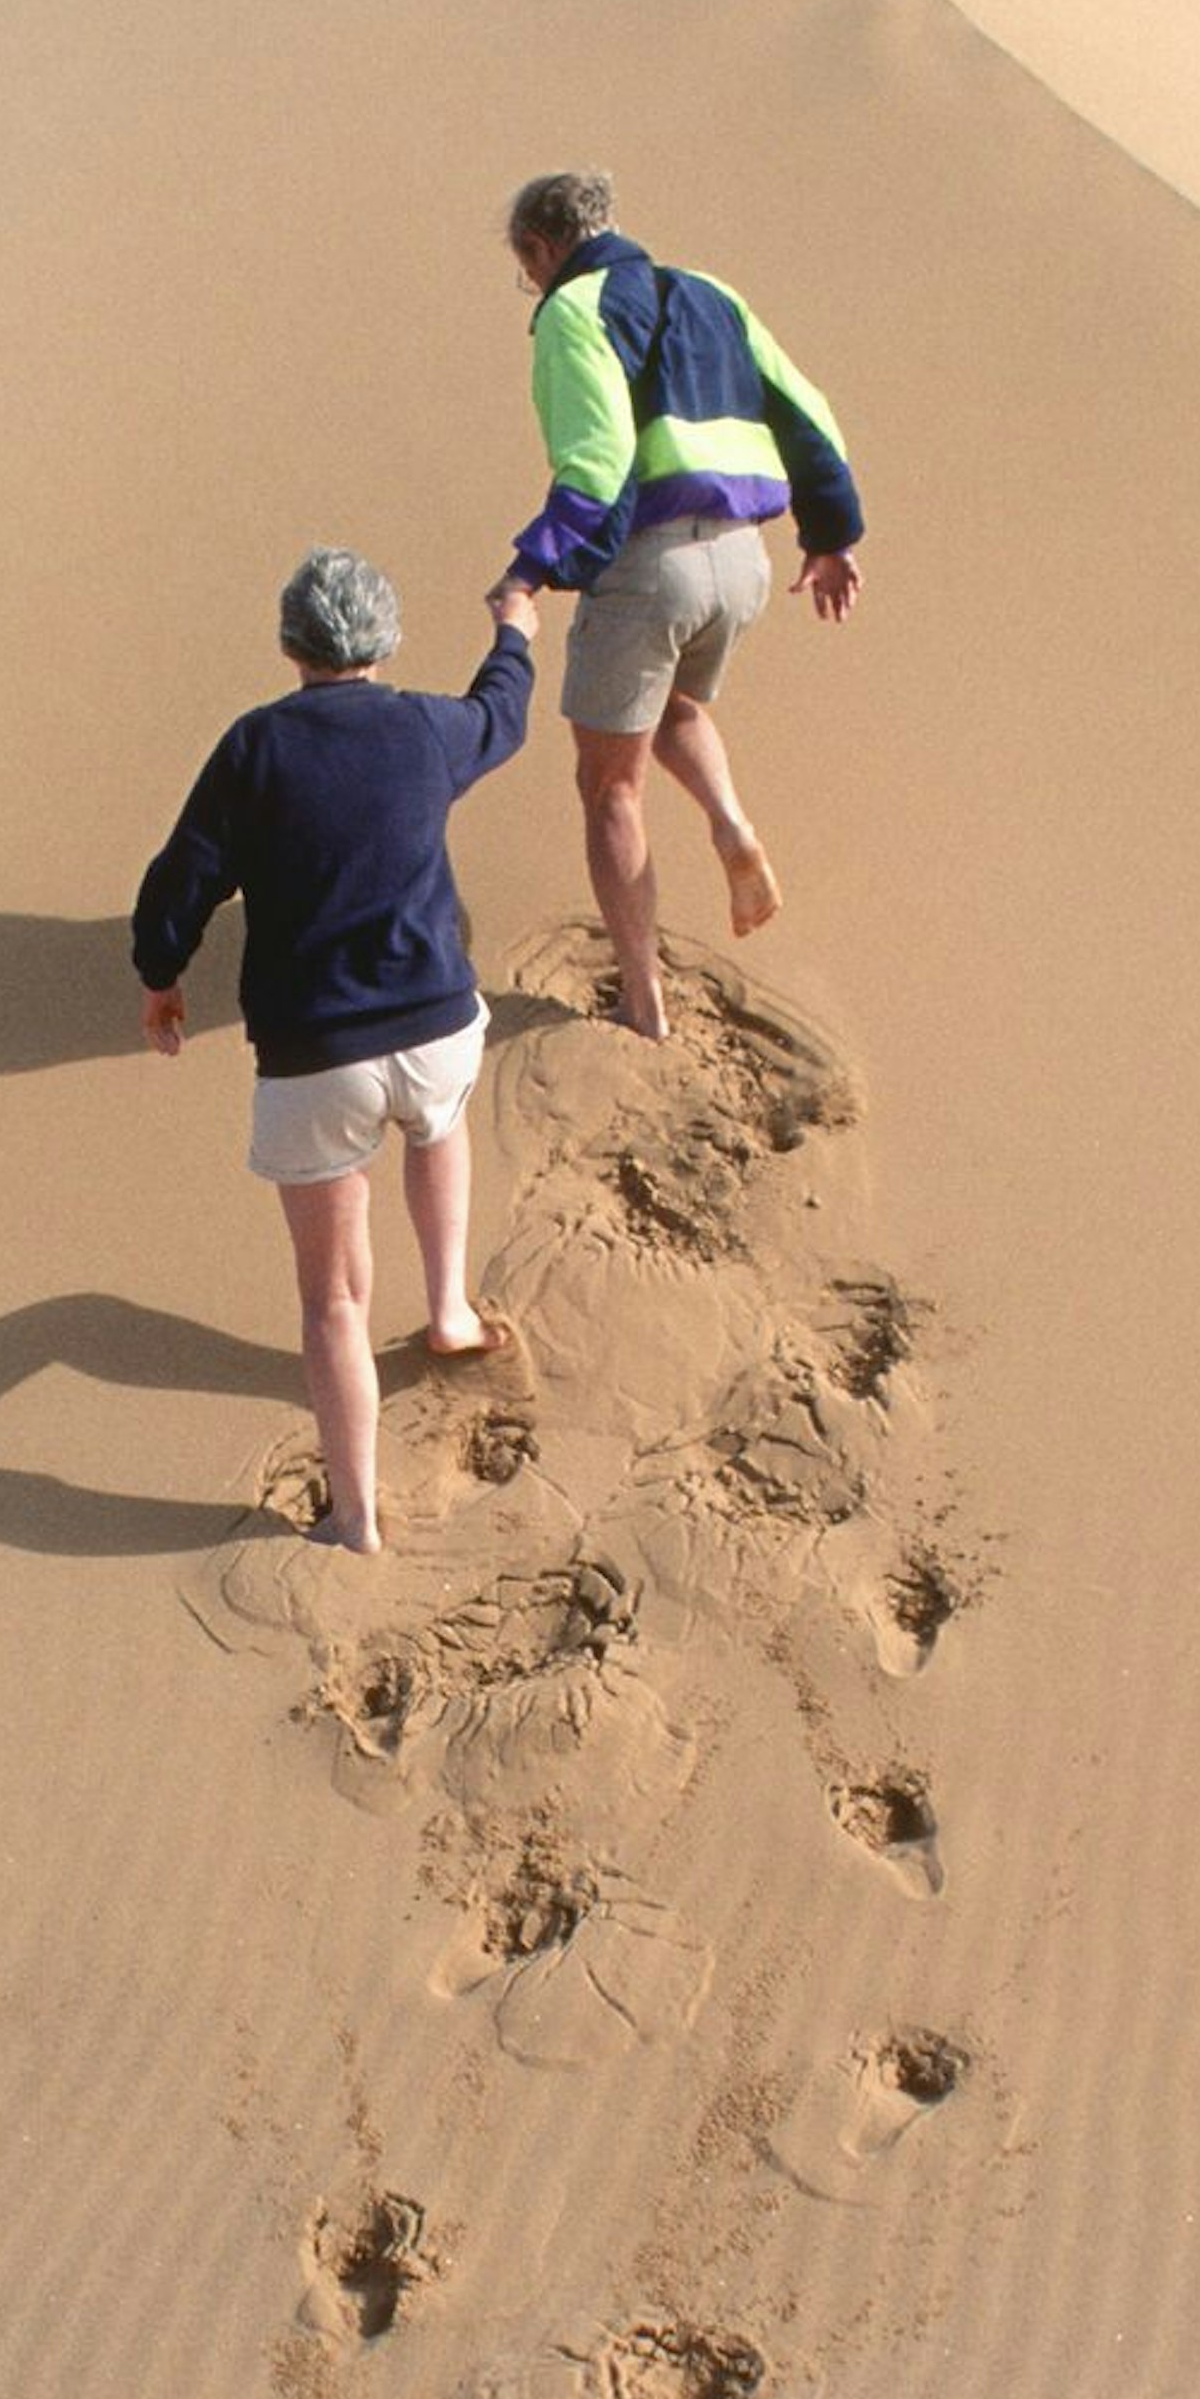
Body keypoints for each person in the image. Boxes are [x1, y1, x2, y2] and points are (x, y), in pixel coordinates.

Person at [133, 548, 537, 1554]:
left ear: (290, 644)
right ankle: (448, 1311)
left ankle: (355, 1518)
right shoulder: (422, 728)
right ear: (385, 640)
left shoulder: (256, 747)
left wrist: (160, 972)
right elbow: (502, 717)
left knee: (333, 1301)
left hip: (318, 1057)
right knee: (438, 1126)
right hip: (438, 1026)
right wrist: (515, 631)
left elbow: (184, 877)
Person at [495, 167, 862, 1037]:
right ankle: (730, 822)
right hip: (743, 563)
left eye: (526, 269)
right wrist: (831, 533)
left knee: (610, 790)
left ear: (543, 249)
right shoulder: (711, 294)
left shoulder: (573, 312)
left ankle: (644, 1000)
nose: (531, 287)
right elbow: (807, 412)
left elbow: (597, 459)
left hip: (650, 567)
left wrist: (534, 567)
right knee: (673, 703)